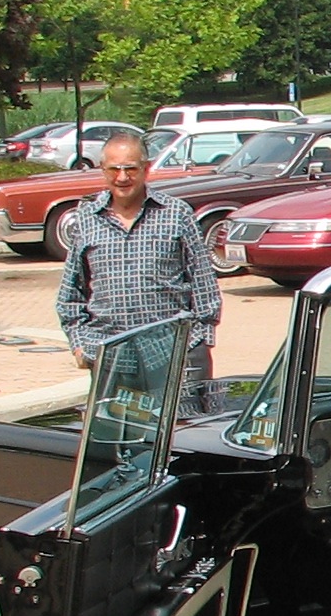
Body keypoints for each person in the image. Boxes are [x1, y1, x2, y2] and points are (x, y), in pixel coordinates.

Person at [55, 126, 222, 410]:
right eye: (114, 169)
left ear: (146, 168)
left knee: (183, 432)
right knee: (118, 435)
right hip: (111, 357)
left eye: (130, 168)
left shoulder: (176, 214)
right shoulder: (86, 219)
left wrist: (199, 342)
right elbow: (71, 293)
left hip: (173, 355)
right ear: (103, 170)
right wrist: (80, 344)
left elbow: (204, 285)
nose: (122, 177)